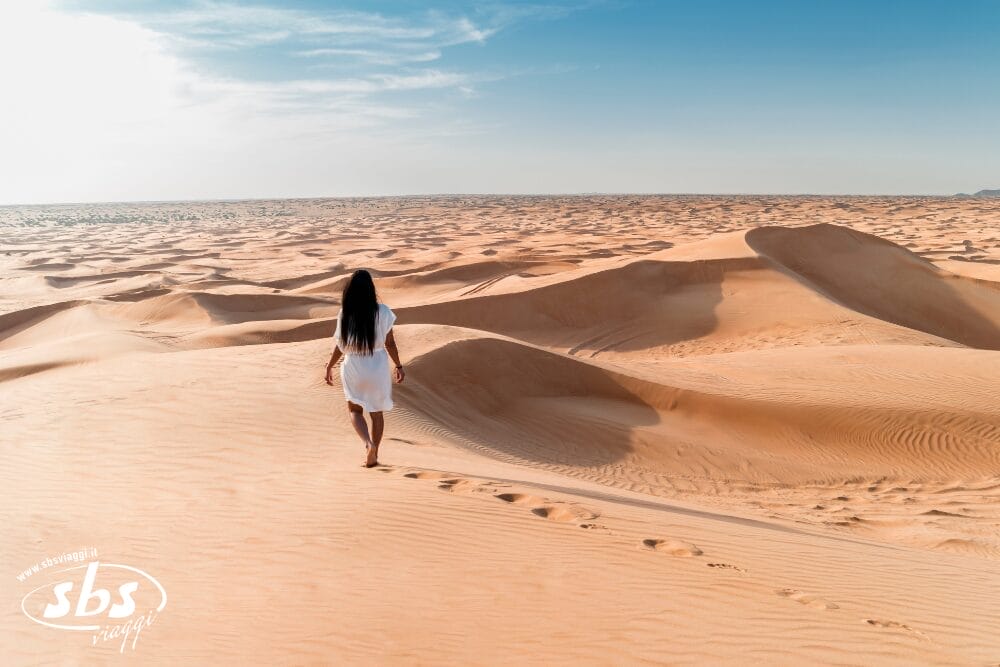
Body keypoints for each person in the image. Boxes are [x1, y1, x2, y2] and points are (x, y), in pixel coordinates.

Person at [325, 269, 404, 467]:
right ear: (371, 289)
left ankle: (367, 443)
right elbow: (391, 343)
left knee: (355, 410)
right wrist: (399, 365)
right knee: (376, 412)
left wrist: (329, 366)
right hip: (376, 365)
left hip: (353, 365)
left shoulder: (345, 313)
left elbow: (340, 345)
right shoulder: (383, 311)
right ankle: (375, 452)